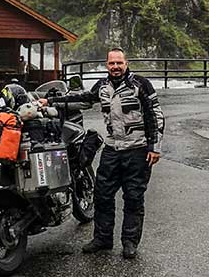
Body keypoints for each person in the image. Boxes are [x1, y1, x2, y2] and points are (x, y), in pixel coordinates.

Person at [40, 47, 165, 259]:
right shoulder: (103, 86)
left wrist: (155, 148)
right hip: (112, 149)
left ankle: (129, 243)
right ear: (107, 65)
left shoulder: (140, 84)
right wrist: (50, 102)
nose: (115, 67)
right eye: (111, 63)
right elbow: (83, 97)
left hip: (137, 150)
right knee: (102, 195)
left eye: (119, 63)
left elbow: (155, 116)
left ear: (126, 63)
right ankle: (102, 239)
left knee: (133, 198)